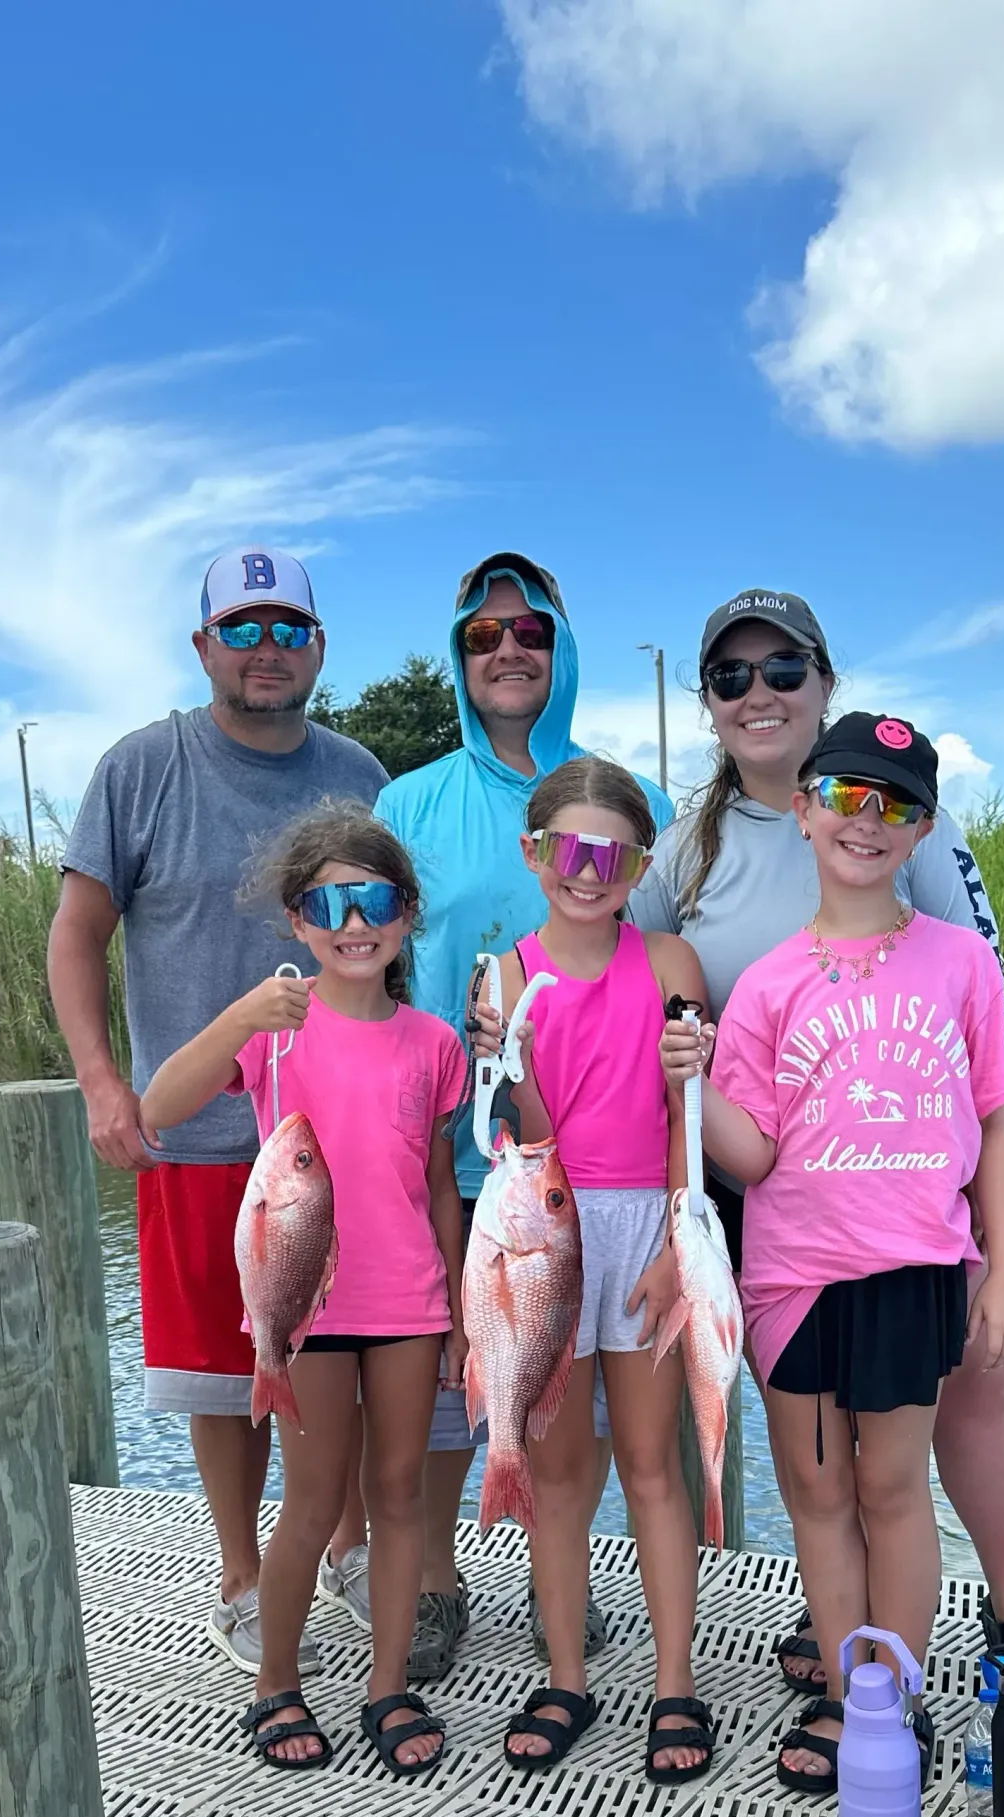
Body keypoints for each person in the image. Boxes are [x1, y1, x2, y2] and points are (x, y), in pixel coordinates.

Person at [630, 589, 1004, 1698]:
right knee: (824, 1470)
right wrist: (512, 1008)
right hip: (769, 1195)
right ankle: (851, 1644)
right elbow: (609, 963)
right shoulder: (685, 846)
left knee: (956, 1402)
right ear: (710, 702)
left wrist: (998, 1249)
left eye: (784, 672)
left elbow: (989, 1072)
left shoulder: (920, 831)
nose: (758, 694)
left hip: (916, 1196)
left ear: (824, 687)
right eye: (731, 678)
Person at [49, 548, 387, 1672]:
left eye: (288, 629)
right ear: (204, 648)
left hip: (343, 1136)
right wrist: (105, 1084)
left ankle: (342, 1545)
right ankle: (242, 1574)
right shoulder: (141, 768)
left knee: (344, 1354)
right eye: (242, 630)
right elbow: (77, 936)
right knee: (225, 1374)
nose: (267, 651)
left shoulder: (358, 771)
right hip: (200, 1137)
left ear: (319, 647)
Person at [367, 553, 674, 1681]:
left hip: (593, 1164)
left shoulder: (631, 800)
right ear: (459, 655)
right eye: (483, 636)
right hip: (444, 1145)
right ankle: (439, 1584)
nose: (507, 651)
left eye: (528, 632)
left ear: (561, 647)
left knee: (572, 1393)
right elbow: (372, 960)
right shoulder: (406, 802)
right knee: (456, 1386)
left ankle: (569, 1590)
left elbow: (664, 976)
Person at [139, 809, 465, 1776]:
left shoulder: (434, 1043)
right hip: (306, 1310)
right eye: (330, 901)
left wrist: (457, 1319)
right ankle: (276, 1683)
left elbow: (440, 1187)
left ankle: (387, 1682)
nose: (354, 921)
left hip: (410, 1307)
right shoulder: (277, 1030)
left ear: (406, 916)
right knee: (314, 1503)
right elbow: (158, 1109)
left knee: (400, 1495)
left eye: (375, 900)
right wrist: (241, 1015)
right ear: (296, 920)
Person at [473, 758, 713, 1781]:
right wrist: (509, 1070)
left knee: (656, 1469)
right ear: (536, 855)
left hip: (647, 1228)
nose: (589, 871)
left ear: (640, 863)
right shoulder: (506, 977)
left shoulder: (672, 963)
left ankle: (674, 1683)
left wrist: (671, 1244)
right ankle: (566, 1673)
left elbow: (685, 1126)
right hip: (550, 1229)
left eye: (612, 854)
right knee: (562, 1474)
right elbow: (520, 1147)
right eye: (569, 850)